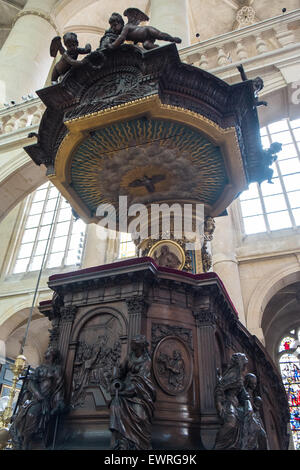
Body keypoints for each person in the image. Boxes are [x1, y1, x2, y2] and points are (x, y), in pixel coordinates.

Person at [10, 348, 65, 450]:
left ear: (54, 355)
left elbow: (58, 388)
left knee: (32, 414)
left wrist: (59, 402)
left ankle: (27, 442)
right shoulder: (40, 368)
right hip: (37, 398)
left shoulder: (57, 369)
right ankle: (21, 441)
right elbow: (31, 382)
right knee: (20, 417)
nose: (48, 352)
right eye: (47, 350)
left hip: (46, 401)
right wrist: (38, 394)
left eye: (50, 351)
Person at [109, 335, 156, 450]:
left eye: (134, 345)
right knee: (116, 403)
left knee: (140, 414)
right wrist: (116, 381)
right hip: (125, 391)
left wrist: (124, 392)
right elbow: (120, 371)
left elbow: (141, 382)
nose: (132, 347)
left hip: (141, 394)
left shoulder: (146, 361)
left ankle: (138, 443)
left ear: (140, 347)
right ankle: (121, 440)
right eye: (132, 345)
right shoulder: (129, 357)